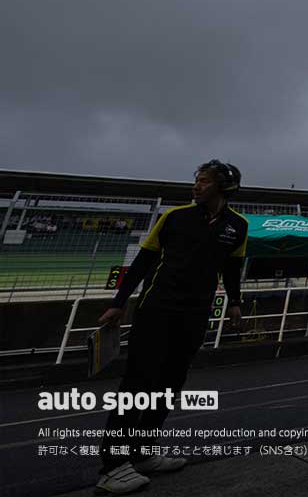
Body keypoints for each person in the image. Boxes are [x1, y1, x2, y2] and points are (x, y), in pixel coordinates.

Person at [94, 161, 249, 494]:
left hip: (195, 315)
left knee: (169, 384)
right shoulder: (174, 217)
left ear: (223, 187)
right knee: (138, 384)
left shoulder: (239, 226)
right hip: (156, 310)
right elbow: (143, 261)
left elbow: (232, 267)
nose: (196, 186)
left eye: (204, 182)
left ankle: (144, 453)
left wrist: (235, 301)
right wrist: (118, 303)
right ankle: (112, 465)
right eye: (196, 180)